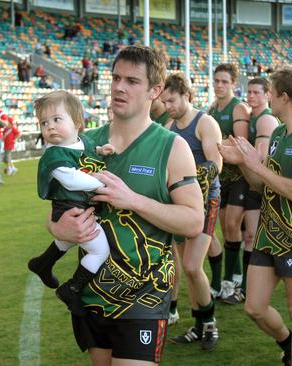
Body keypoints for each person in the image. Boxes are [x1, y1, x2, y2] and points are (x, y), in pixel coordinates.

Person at [47, 45, 203, 365]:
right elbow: (54, 215)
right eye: (116, 77)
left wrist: (132, 200)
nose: (119, 87)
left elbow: (193, 222)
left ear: (154, 91)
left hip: (145, 296)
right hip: (94, 294)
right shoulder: (83, 143)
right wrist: (58, 226)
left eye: (132, 81)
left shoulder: (172, 147)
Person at [219, 65, 292, 366]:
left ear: (284, 96)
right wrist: (242, 163)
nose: (267, 98)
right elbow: (260, 183)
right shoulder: (281, 132)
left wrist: (255, 165)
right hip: (270, 235)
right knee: (254, 307)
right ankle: (289, 343)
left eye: (270, 92)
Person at [28, 90, 115, 315]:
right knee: (99, 251)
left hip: (77, 206)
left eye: (57, 119)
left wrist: (100, 151)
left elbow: (85, 151)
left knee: (67, 241)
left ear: (77, 123)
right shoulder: (54, 155)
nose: (50, 127)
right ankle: (73, 288)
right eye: (44, 123)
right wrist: (99, 184)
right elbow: (72, 178)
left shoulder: (82, 141)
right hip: (70, 207)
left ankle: (43, 263)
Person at [160, 72, 223, 350]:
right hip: (180, 202)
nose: (168, 106)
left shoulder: (205, 122)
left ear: (186, 94)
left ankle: (210, 324)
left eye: (172, 100)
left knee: (191, 266)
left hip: (206, 200)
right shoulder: (170, 124)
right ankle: (199, 325)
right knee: (188, 269)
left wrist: (193, 179)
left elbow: (216, 163)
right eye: (165, 101)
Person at [226, 77, 279, 305]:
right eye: (249, 92)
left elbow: (261, 158)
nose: (251, 96)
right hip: (248, 181)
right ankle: (240, 283)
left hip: (260, 184)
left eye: (257, 92)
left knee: (253, 237)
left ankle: (247, 287)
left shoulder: (266, 119)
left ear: (268, 95)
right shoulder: (252, 117)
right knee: (242, 231)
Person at [208, 63, 251, 301]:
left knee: (233, 225)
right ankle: (234, 276)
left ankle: (230, 281)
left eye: (225, 81)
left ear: (234, 84)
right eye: (217, 80)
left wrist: (214, 142)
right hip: (221, 178)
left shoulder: (238, 108)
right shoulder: (212, 108)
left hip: (240, 177)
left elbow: (240, 143)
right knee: (225, 228)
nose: (219, 85)